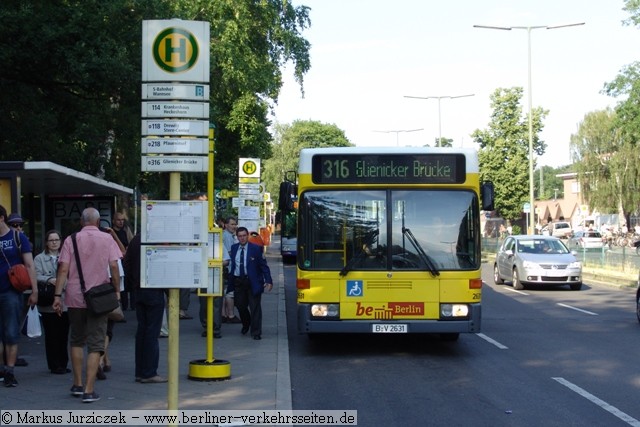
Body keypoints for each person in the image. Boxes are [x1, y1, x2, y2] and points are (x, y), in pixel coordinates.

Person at [52, 207, 122, 403]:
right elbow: (114, 266)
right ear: (98, 222)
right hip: (99, 299)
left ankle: (77, 384)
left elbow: (63, 269)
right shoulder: (107, 239)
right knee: (96, 343)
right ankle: (89, 391)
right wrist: (116, 290)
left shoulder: (70, 240)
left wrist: (57, 295)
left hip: (74, 297)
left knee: (76, 339)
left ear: (82, 222)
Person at [0, 205, 37, 387]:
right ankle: (2, 369)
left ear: (1, 218)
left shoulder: (17, 237)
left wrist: (34, 291)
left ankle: (10, 372)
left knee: (11, 333)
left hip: (11, 292)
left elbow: (30, 265)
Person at [123, 233, 167, 383]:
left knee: (142, 330)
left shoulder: (136, 239)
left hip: (139, 290)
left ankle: (140, 371)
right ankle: (149, 372)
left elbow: (126, 262)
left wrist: (133, 283)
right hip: (154, 289)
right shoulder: (157, 239)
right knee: (152, 332)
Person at [227, 227, 273, 340]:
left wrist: (268, 280)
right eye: (240, 236)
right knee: (240, 306)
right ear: (237, 237)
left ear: (247, 236)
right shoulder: (234, 248)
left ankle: (256, 332)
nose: (242, 238)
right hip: (239, 281)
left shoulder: (256, 249)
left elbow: (264, 266)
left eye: (244, 235)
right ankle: (246, 323)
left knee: (255, 307)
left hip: (253, 282)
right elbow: (233, 265)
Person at [34, 229, 70, 374]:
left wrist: (63, 282)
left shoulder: (66, 257)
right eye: (51, 240)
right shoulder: (39, 259)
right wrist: (50, 280)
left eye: (57, 240)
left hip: (65, 301)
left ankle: (63, 363)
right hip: (48, 301)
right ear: (46, 243)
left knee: (64, 333)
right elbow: (36, 275)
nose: (54, 243)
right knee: (51, 334)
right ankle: (54, 365)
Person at [3, 213, 30, 369]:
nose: (19, 228)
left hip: (14, 289)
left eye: (20, 225)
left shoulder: (21, 240)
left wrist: (33, 290)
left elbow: (29, 265)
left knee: (12, 329)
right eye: (15, 225)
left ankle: (10, 366)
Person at [112, 212, 135, 310]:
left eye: (122, 220)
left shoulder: (126, 230)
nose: (121, 222)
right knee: (122, 283)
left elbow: (132, 241)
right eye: (119, 220)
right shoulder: (111, 232)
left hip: (127, 259)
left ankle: (133, 305)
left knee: (131, 281)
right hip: (117, 260)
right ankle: (124, 305)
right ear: (114, 221)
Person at [222, 217, 240, 323]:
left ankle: (223, 314)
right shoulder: (227, 236)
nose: (234, 226)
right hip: (228, 268)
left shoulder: (229, 235)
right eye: (232, 224)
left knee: (224, 292)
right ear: (226, 225)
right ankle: (230, 315)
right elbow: (229, 253)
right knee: (229, 293)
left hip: (227, 268)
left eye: (235, 224)